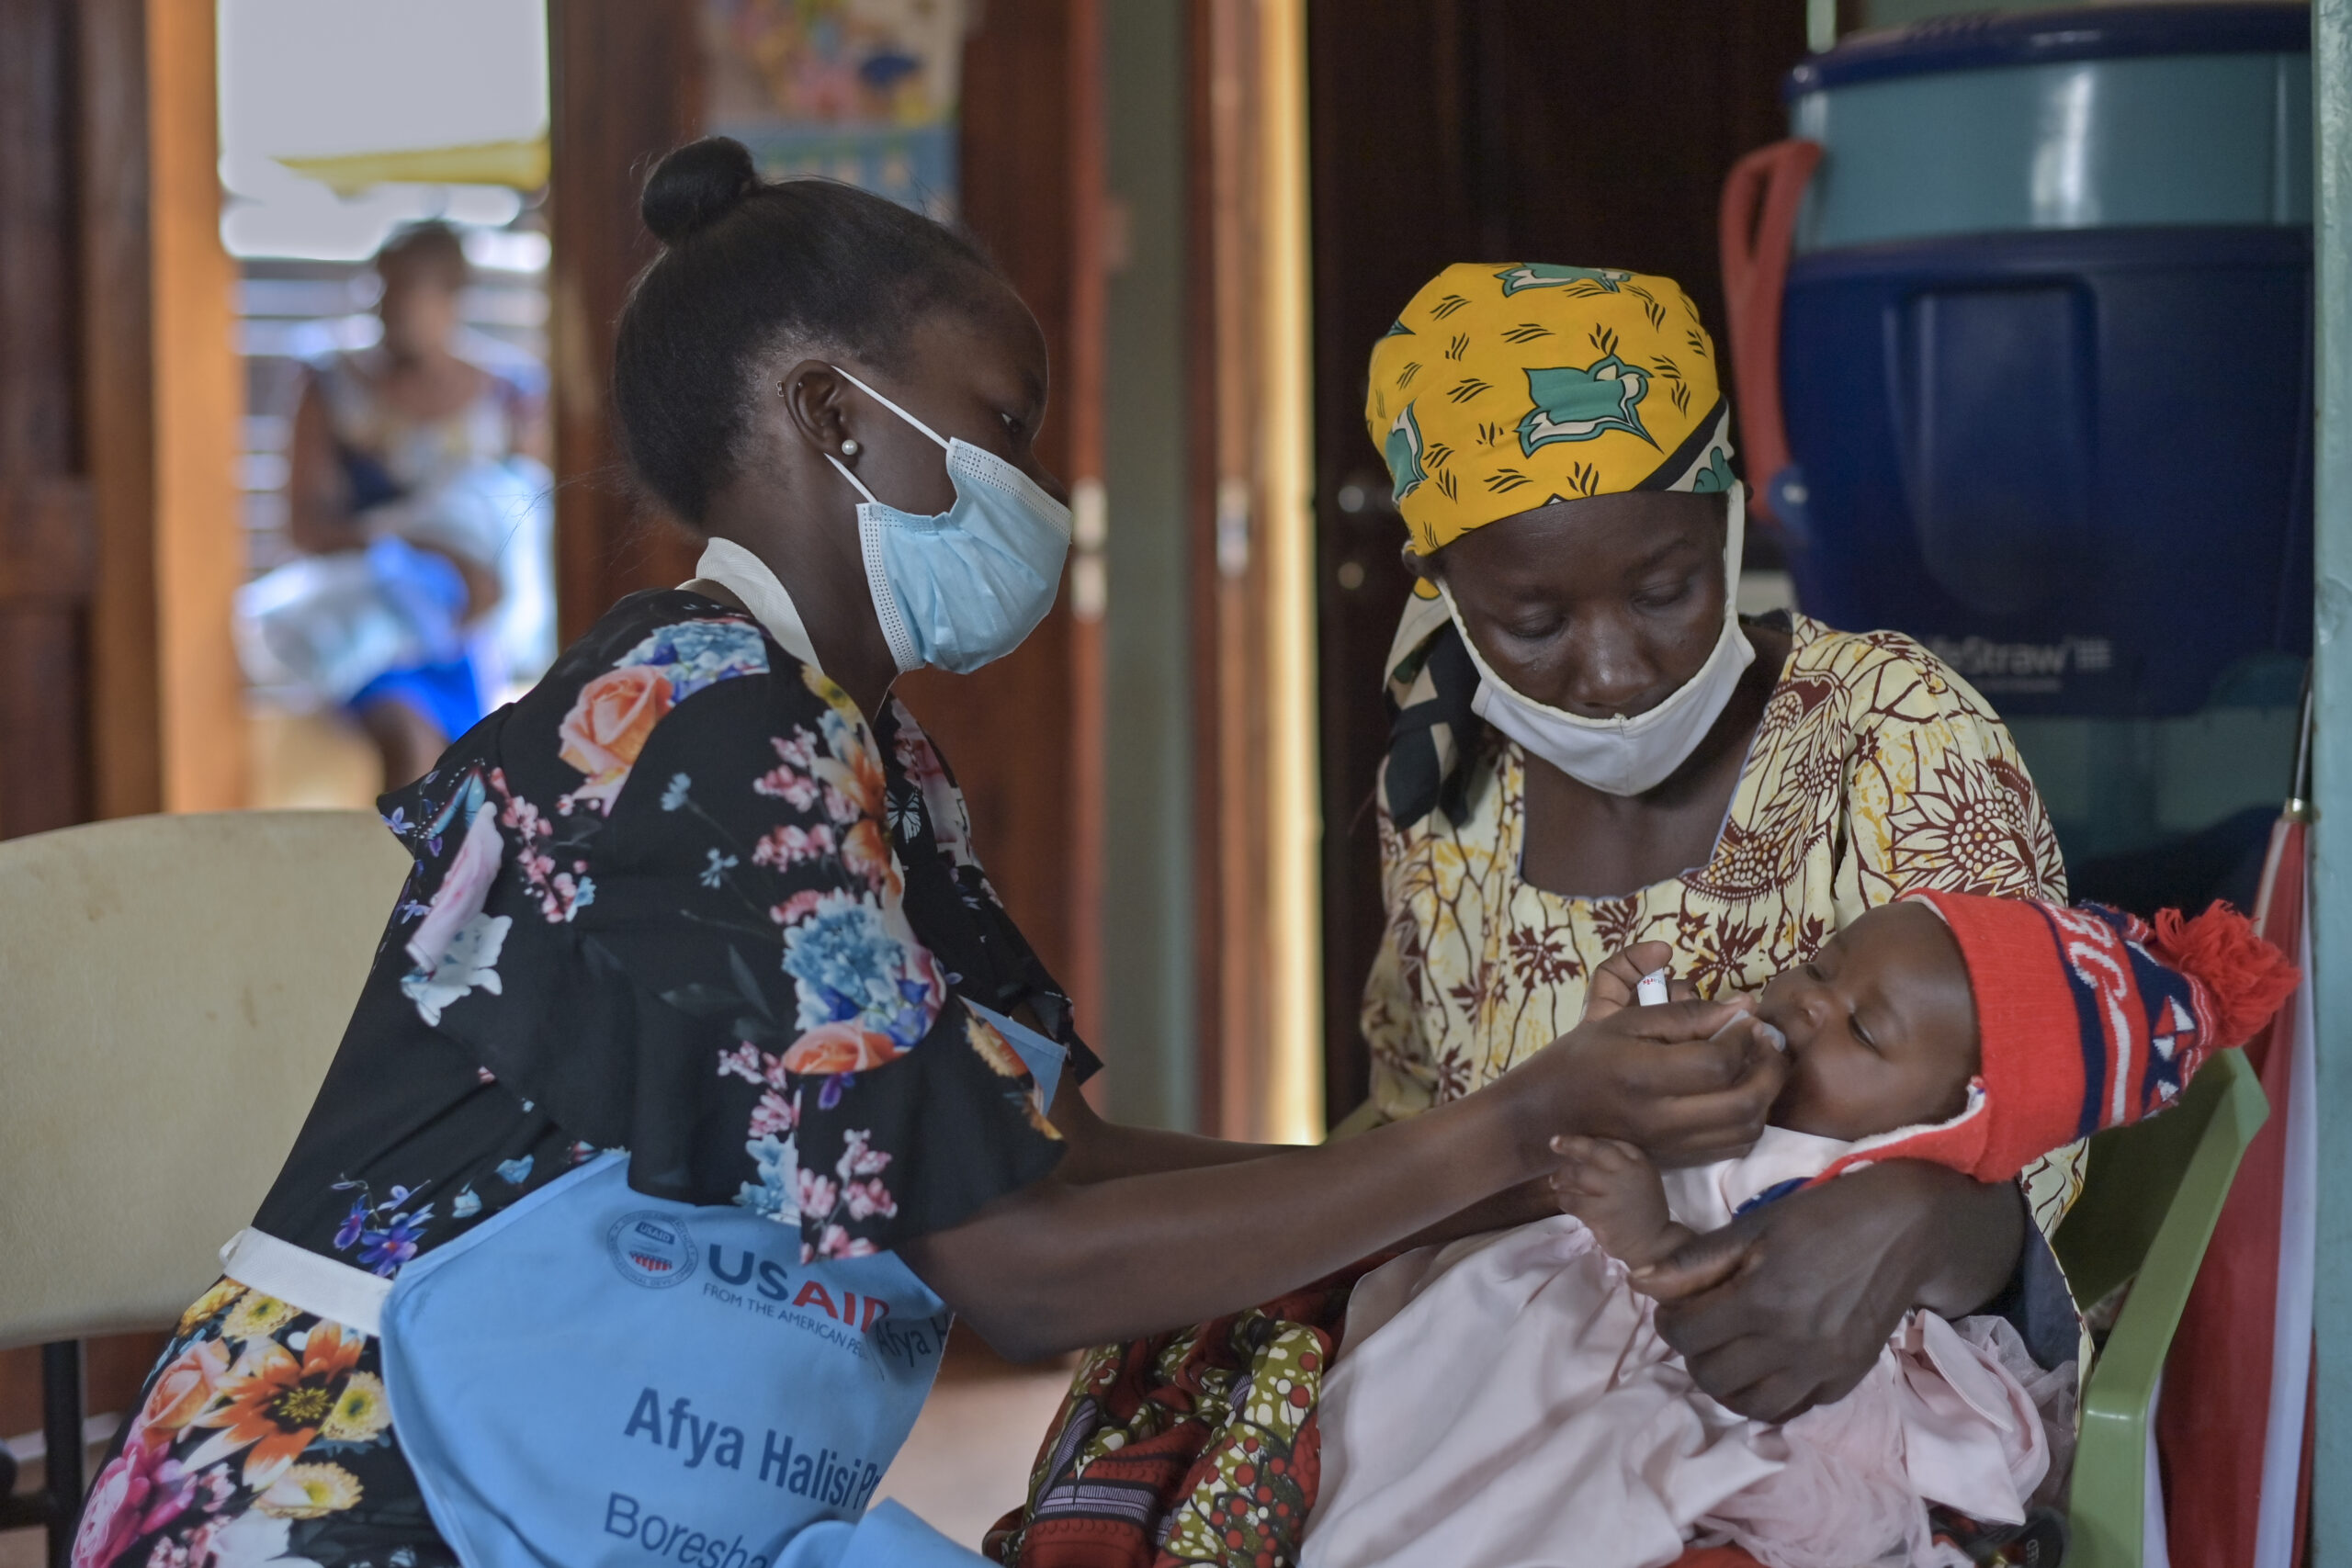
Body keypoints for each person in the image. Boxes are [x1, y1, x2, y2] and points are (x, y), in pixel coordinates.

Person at [69, 149, 1792, 1568]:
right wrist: (1505, 1125)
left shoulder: (847, 746)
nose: (1039, 488)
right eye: (1010, 425)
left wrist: (1503, 1170)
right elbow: (1017, 1262)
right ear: (839, 419)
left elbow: (1054, 1152)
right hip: (356, 1505)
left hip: (599, 1482)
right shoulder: (703, 733)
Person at [993, 266, 2076, 1568]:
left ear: (1725, 519)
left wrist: (1929, 1217)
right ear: (1445, 583)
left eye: (1667, 587)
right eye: (1534, 618)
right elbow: (1411, 1123)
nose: (1613, 669)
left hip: (1829, 1362)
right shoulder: (1454, 792)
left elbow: (2046, 1090)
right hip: (1506, 1338)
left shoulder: (1891, 731)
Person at [1306, 897, 2296, 1568]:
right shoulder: (1766, 1080)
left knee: (1545, 1475)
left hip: (1704, 1359)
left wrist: (1648, 1235)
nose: (1807, 1000)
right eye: (1822, 965)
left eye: (1863, 1033)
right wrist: (1645, 1034)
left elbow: (1722, 1295)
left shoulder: (1854, 1194)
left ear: (1950, 1121)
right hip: (1561, 1307)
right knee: (1412, 1372)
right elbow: (1658, 1114)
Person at [277, 220, 553, 787]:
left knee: (482, 764)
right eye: (378, 289)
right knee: (411, 745)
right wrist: (424, 549)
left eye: (400, 291)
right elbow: (306, 527)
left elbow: (529, 521)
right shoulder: (333, 389)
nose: (382, 308)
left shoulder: (507, 396)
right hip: (371, 636)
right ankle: (413, 877)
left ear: (450, 298)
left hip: (469, 634)